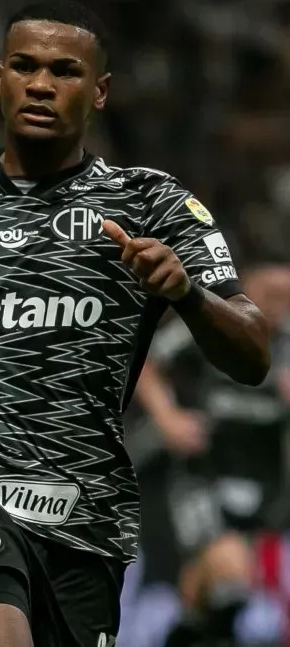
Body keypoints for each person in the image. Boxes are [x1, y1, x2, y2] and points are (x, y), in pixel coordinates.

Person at [0, 0, 272, 647]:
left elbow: (253, 352)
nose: (40, 84)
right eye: (24, 66)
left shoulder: (152, 202)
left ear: (100, 92)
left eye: (64, 71)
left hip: (86, 508)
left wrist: (187, 294)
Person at [134, 264, 290, 647]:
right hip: (202, 473)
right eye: (271, 294)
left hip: (260, 483)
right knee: (230, 569)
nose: (278, 305)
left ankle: (186, 630)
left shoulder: (286, 348)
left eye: (287, 298)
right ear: (246, 290)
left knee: (206, 584)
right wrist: (168, 417)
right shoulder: (211, 328)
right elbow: (145, 362)